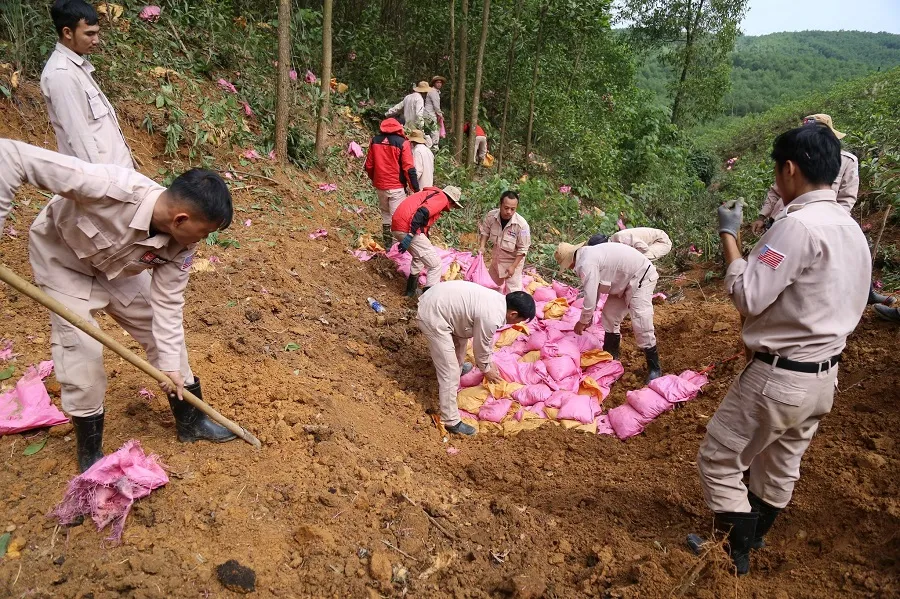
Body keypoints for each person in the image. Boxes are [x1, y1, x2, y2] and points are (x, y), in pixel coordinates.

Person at [693, 125, 870, 576]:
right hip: (823, 376)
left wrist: (728, 237)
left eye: (777, 170)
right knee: (780, 463)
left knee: (719, 457)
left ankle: (732, 551)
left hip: (778, 375)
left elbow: (749, 296)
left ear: (789, 169)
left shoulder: (796, 227)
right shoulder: (851, 230)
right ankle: (754, 539)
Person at [0, 140, 239, 472]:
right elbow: (10, 156)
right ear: (181, 218)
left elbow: (168, 304)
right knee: (81, 349)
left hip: (120, 269)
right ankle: (90, 452)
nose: (203, 240)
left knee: (167, 342)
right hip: (63, 261)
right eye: (205, 232)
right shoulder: (108, 186)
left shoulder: (181, 247)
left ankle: (192, 423)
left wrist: (169, 365)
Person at [417, 281, 536, 436]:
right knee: (450, 372)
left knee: (460, 344)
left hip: (441, 303)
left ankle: (457, 368)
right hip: (433, 314)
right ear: (513, 314)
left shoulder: (498, 301)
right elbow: (481, 346)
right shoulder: (492, 316)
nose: (516, 324)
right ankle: (451, 421)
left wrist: (487, 363)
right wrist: (486, 368)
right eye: (518, 321)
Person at [41, 0, 134, 169]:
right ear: (68, 32)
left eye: (97, 33)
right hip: (106, 180)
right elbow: (79, 137)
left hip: (118, 174)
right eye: (89, 34)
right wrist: (100, 181)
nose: (96, 40)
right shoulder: (61, 74)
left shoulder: (75, 67)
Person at [554, 241, 662, 382]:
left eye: (567, 266)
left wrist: (582, 321)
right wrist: (590, 315)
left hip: (640, 276)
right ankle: (611, 356)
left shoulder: (586, 263)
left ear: (569, 261)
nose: (568, 269)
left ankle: (654, 367)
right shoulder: (586, 256)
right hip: (624, 283)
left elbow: (590, 296)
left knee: (641, 320)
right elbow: (596, 288)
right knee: (610, 315)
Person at [750, 114, 857, 234]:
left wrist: (829, 227)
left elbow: (846, 199)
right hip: (780, 221)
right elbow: (776, 190)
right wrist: (762, 217)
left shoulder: (847, 161)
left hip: (814, 228)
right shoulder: (794, 157)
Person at [392, 186, 463, 297]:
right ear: (451, 200)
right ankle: (429, 300)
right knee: (435, 265)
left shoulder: (430, 194)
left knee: (418, 257)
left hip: (398, 226)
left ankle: (410, 293)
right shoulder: (442, 198)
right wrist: (411, 234)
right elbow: (422, 212)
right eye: (453, 205)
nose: (452, 208)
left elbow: (422, 219)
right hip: (406, 227)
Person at [364, 118, 420, 249]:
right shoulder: (403, 143)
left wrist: (375, 179)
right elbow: (409, 168)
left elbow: (369, 165)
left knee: (385, 215)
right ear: (399, 127)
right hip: (396, 187)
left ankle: (388, 246)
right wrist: (415, 189)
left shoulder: (375, 141)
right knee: (397, 219)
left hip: (380, 186)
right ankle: (396, 250)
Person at [478, 191, 531, 292]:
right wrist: (482, 246)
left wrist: (513, 266)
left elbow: (523, 249)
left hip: (513, 262)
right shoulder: (491, 216)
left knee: (513, 292)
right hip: (496, 260)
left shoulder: (522, 226)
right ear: (500, 205)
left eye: (513, 209)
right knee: (491, 288)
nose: (509, 212)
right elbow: (485, 232)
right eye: (506, 208)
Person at [588, 227, 673, 261]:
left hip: (661, 241)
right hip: (651, 242)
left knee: (637, 259)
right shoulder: (615, 242)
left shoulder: (621, 238)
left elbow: (644, 248)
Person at [424, 76, 445, 149]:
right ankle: (433, 149)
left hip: (429, 114)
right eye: (437, 82)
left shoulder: (434, 91)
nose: (439, 84)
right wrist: (440, 115)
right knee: (435, 132)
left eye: (440, 82)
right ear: (434, 83)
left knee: (431, 132)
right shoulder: (433, 92)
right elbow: (436, 106)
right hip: (430, 114)